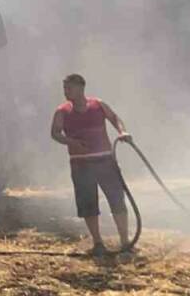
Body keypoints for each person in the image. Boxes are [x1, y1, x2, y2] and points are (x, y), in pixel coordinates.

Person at [49, 73, 132, 255]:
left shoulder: (98, 105)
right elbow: (55, 133)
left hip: (105, 160)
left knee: (117, 199)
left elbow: (115, 118)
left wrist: (122, 132)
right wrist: (71, 142)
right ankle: (98, 243)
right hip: (81, 164)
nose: (66, 92)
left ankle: (125, 241)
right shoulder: (62, 111)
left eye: (69, 88)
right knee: (88, 204)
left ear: (81, 88)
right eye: (64, 88)